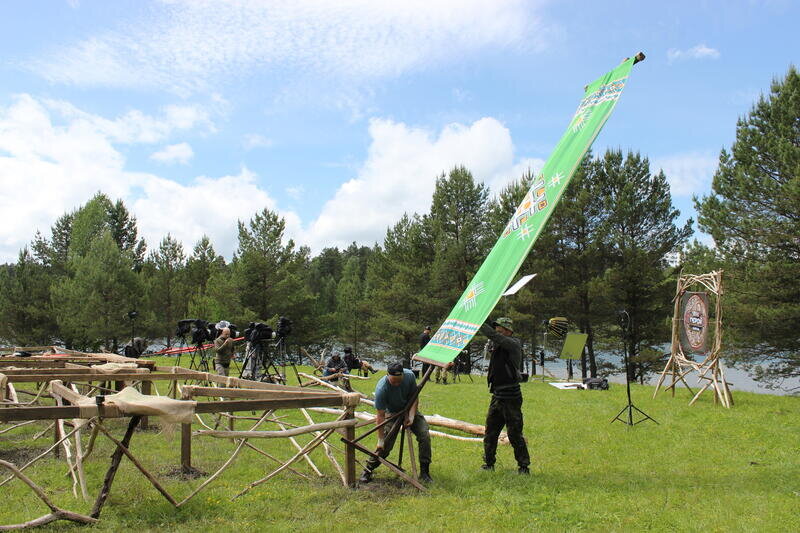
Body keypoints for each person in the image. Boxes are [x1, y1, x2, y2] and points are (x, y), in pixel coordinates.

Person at [359, 362, 433, 484]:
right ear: (388, 375)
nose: (397, 383)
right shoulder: (381, 388)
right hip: (391, 413)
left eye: (399, 381)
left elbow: (414, 397)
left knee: (424, 434)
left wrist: (411, 416)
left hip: (409, 408)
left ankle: (425, 472)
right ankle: (368, 470)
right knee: (386, 443)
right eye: (394, 382)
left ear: (403, 375)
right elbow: (380, 416)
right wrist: (380, 440)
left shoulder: (410, 376)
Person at [480, 317, 530, 474]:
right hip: (497, 395)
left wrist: (477, 321)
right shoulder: (497, 346)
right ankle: (489, 464)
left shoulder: (513, 344)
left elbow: (494, 337)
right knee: (490, 433)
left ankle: (523, 467)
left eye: (500, 328)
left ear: (509, 331)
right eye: (496, 328)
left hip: (511, 397)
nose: (497, 330)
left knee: (514, 434)